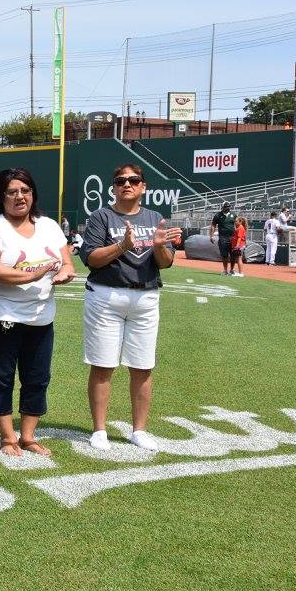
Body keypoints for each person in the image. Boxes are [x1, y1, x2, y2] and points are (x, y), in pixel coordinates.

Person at [79, 164, 183, 452]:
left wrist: (161, 246)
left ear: (143, 186)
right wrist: (123, 245)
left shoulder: (155, 217)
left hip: (146, 297)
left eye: (134, 180)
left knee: (142, 366)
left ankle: (139, 430)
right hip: (106, 295)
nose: (127, 184)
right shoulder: (101, 216)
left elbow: (165, 262)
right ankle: (99, 430)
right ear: (113, 187)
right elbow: (91, 259)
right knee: (103, 365)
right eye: (120, 181)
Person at [0, 168, 75, 457]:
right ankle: (7, 438)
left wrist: (64, 273)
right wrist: (32, 275)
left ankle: (28, 436)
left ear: (33, 194)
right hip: (0, 316)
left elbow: (67, 263)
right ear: (1, 197)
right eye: (12, 192)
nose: (20, 197)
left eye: (25, 190)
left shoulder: (49, 226)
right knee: (1, 377)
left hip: (41, 316)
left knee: (38, 377)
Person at [208, 202, 237, 276]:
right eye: (226, 207)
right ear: (223, 207)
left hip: (232, 237)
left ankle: (232, 269)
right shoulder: (218, 215)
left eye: (228, 207)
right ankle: (225, 270)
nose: (227, 208)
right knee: (224, 254)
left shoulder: (233, 215)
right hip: (223, 237)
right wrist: (211, 236)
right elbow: (213, 225)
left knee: (233, 254)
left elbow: (237, 225)